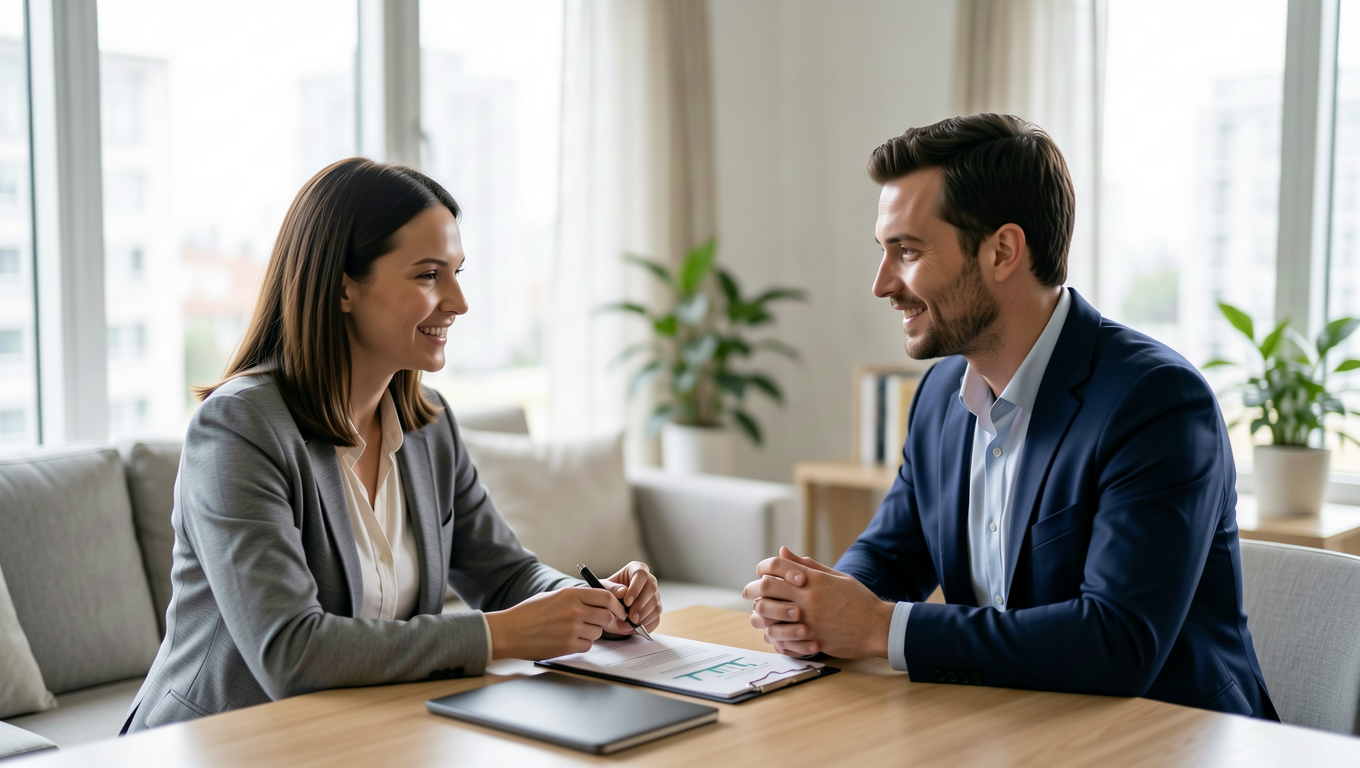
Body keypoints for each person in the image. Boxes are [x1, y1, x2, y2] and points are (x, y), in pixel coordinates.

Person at [743, 113, 1277, 718]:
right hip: (1011, 723)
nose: (882, 283)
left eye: (908, 251)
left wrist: (877, 628)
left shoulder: (1157, 402)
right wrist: (813, 605)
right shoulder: (941, 394)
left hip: (1168, 735)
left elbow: (1118, 641)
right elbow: (893, 555)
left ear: (1002, 251)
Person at [123, 158, 661, 733]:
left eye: (457, 271)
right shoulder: (239, 429)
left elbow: (504, 575)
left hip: (368, 735)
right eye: (429, 275)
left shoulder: (428, 424)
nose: (458, 301)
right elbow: (290, 652)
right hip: (224, 742)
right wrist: (499, 635)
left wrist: (590, 603)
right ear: (344, 287)